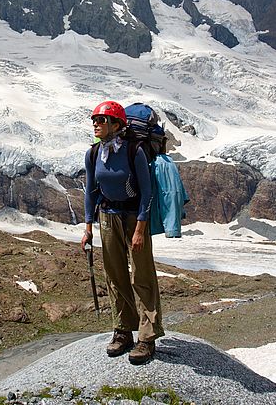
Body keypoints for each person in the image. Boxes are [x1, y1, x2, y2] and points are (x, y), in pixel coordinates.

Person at [81, 100, 165, 365]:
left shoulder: (134, 151)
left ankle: (147, 337)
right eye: (94, 119)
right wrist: (87, 227)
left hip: (133, 219)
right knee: (115, 275)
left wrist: (141, 227)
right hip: (108, 216)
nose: (96, 124)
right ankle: (123, 331)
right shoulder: (94, 153)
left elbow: (147, 192)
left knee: (142, 275)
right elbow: (91, 192)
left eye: (101, 120)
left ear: (116, 124)